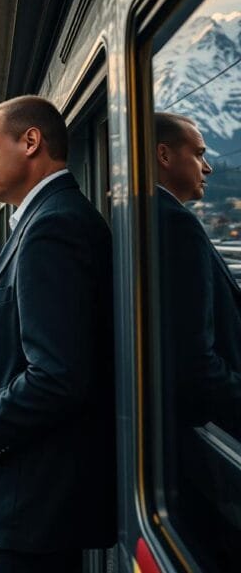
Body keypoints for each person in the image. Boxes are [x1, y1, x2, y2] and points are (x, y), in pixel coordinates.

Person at [0, 95, 115, 572]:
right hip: (39, 502)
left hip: (35, 504)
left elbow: (58, 378)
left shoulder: (52, 228)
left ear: (30, 141)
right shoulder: (48, 220)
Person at [155, 112, 241, 571]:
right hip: (195, 449)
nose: (207, 167)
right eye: (200, 154)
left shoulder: (150, 218)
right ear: (164, 155)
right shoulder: (176, 224)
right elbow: (194, 361)